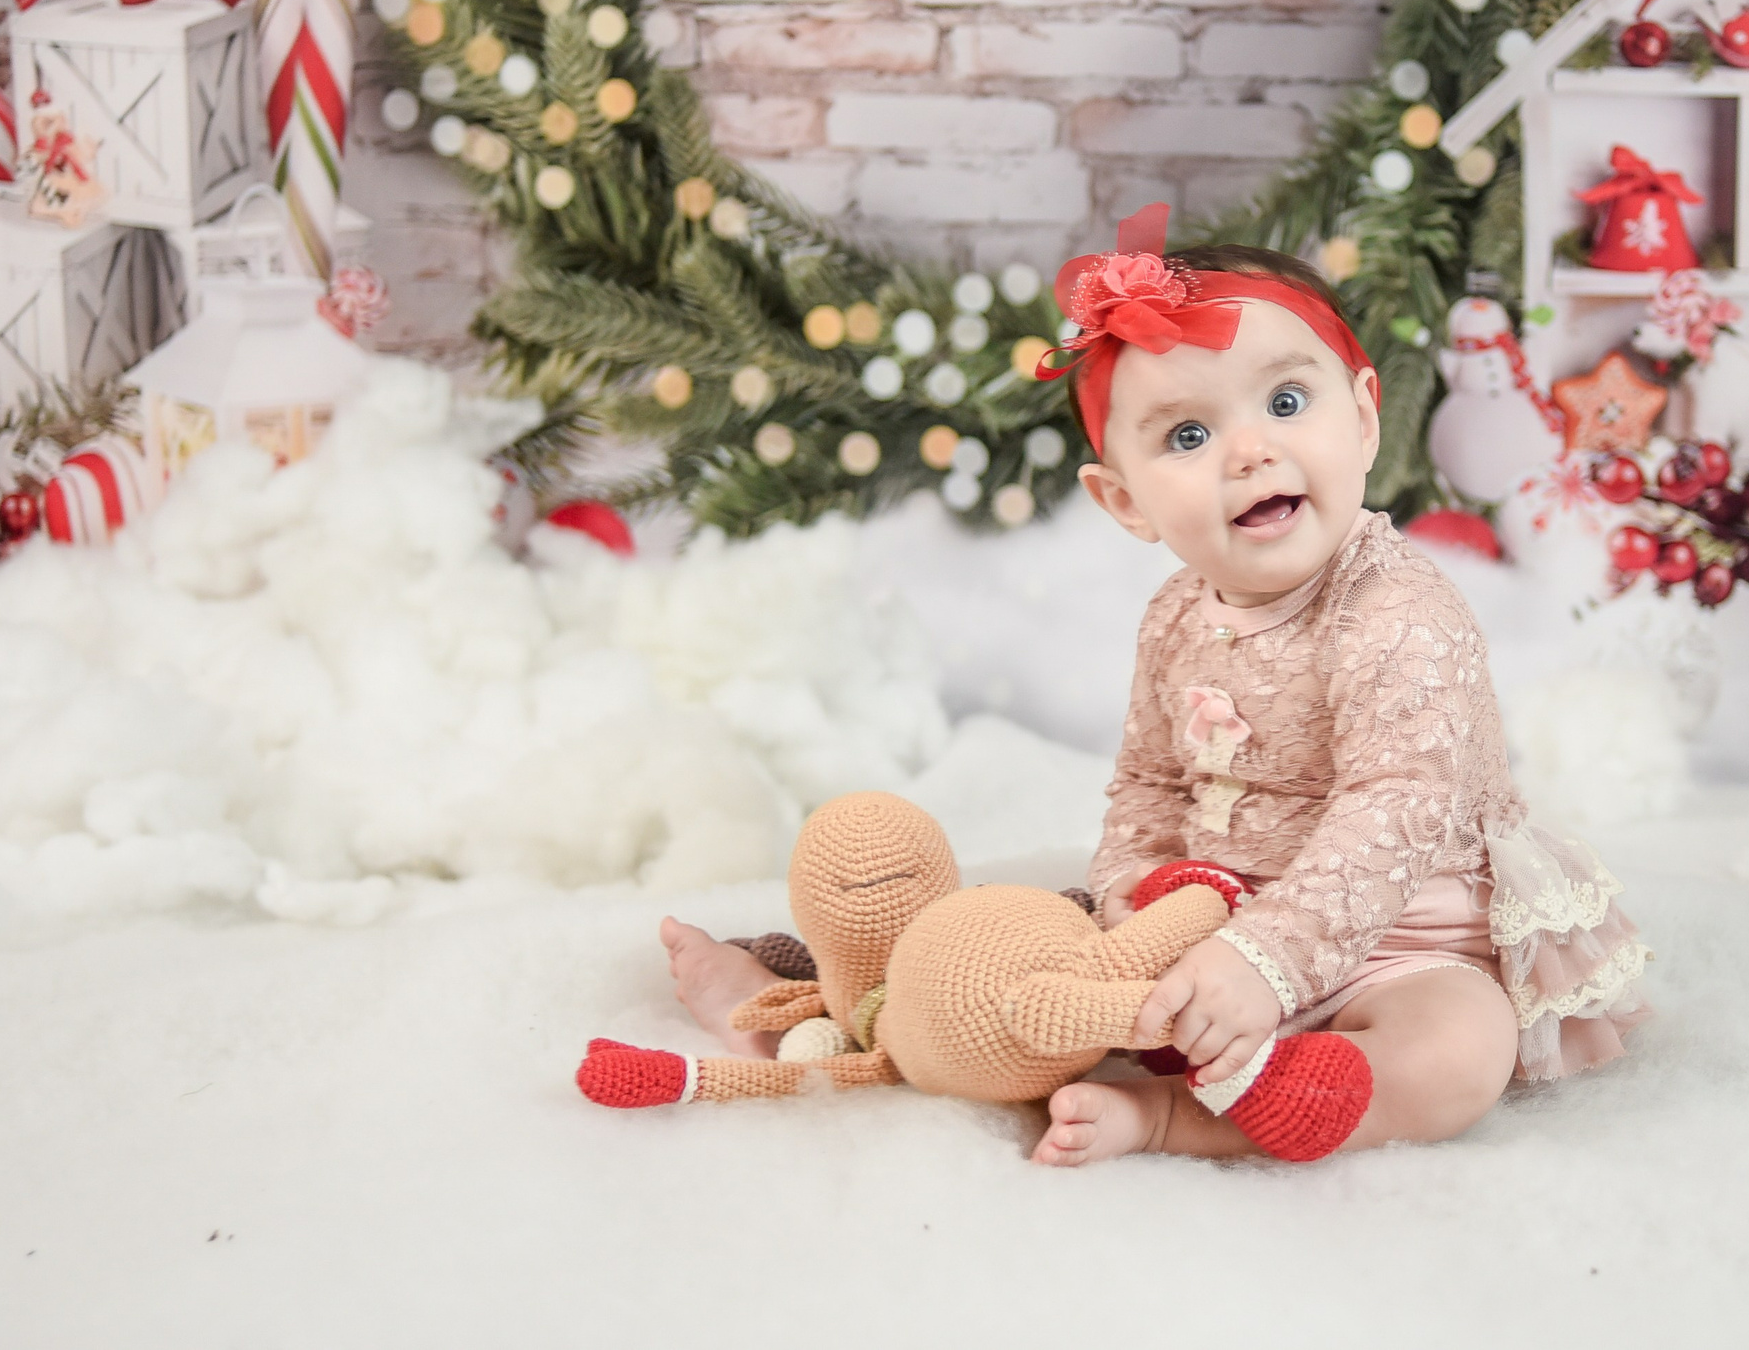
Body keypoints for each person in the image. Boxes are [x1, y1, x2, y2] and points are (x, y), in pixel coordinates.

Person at [659, 202, 1648, 1165]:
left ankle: (1178, 1115)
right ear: (1124, 501)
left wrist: (1268, 958)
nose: (1250, 450)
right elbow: (1148, 783)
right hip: (1208, 914)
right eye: (1187, 436)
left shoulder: (1399, 610)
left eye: (1286, 402)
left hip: (1407, 936)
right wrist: (1131, 914)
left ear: (1361, 416)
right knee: (1009, 980)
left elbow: (1397, 807)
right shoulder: (1176, 614)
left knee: (1457, 1053)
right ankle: (822, 1000)